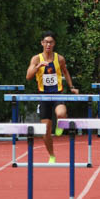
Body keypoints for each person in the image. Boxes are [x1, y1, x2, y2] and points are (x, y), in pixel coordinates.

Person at [26, 31, 79, 163]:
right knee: (45, 131)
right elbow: (28, 76)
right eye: (46, 42)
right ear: (42, 43)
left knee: (61, 113)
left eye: (50, 42)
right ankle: (52, 155)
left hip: (57, 94)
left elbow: (66, 72)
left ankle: (60, 123)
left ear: (54, 43)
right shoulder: (36, 59)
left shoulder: (59, 59)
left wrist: (72, 87)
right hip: (43, 97)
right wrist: (38, 67)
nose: (48, 44)